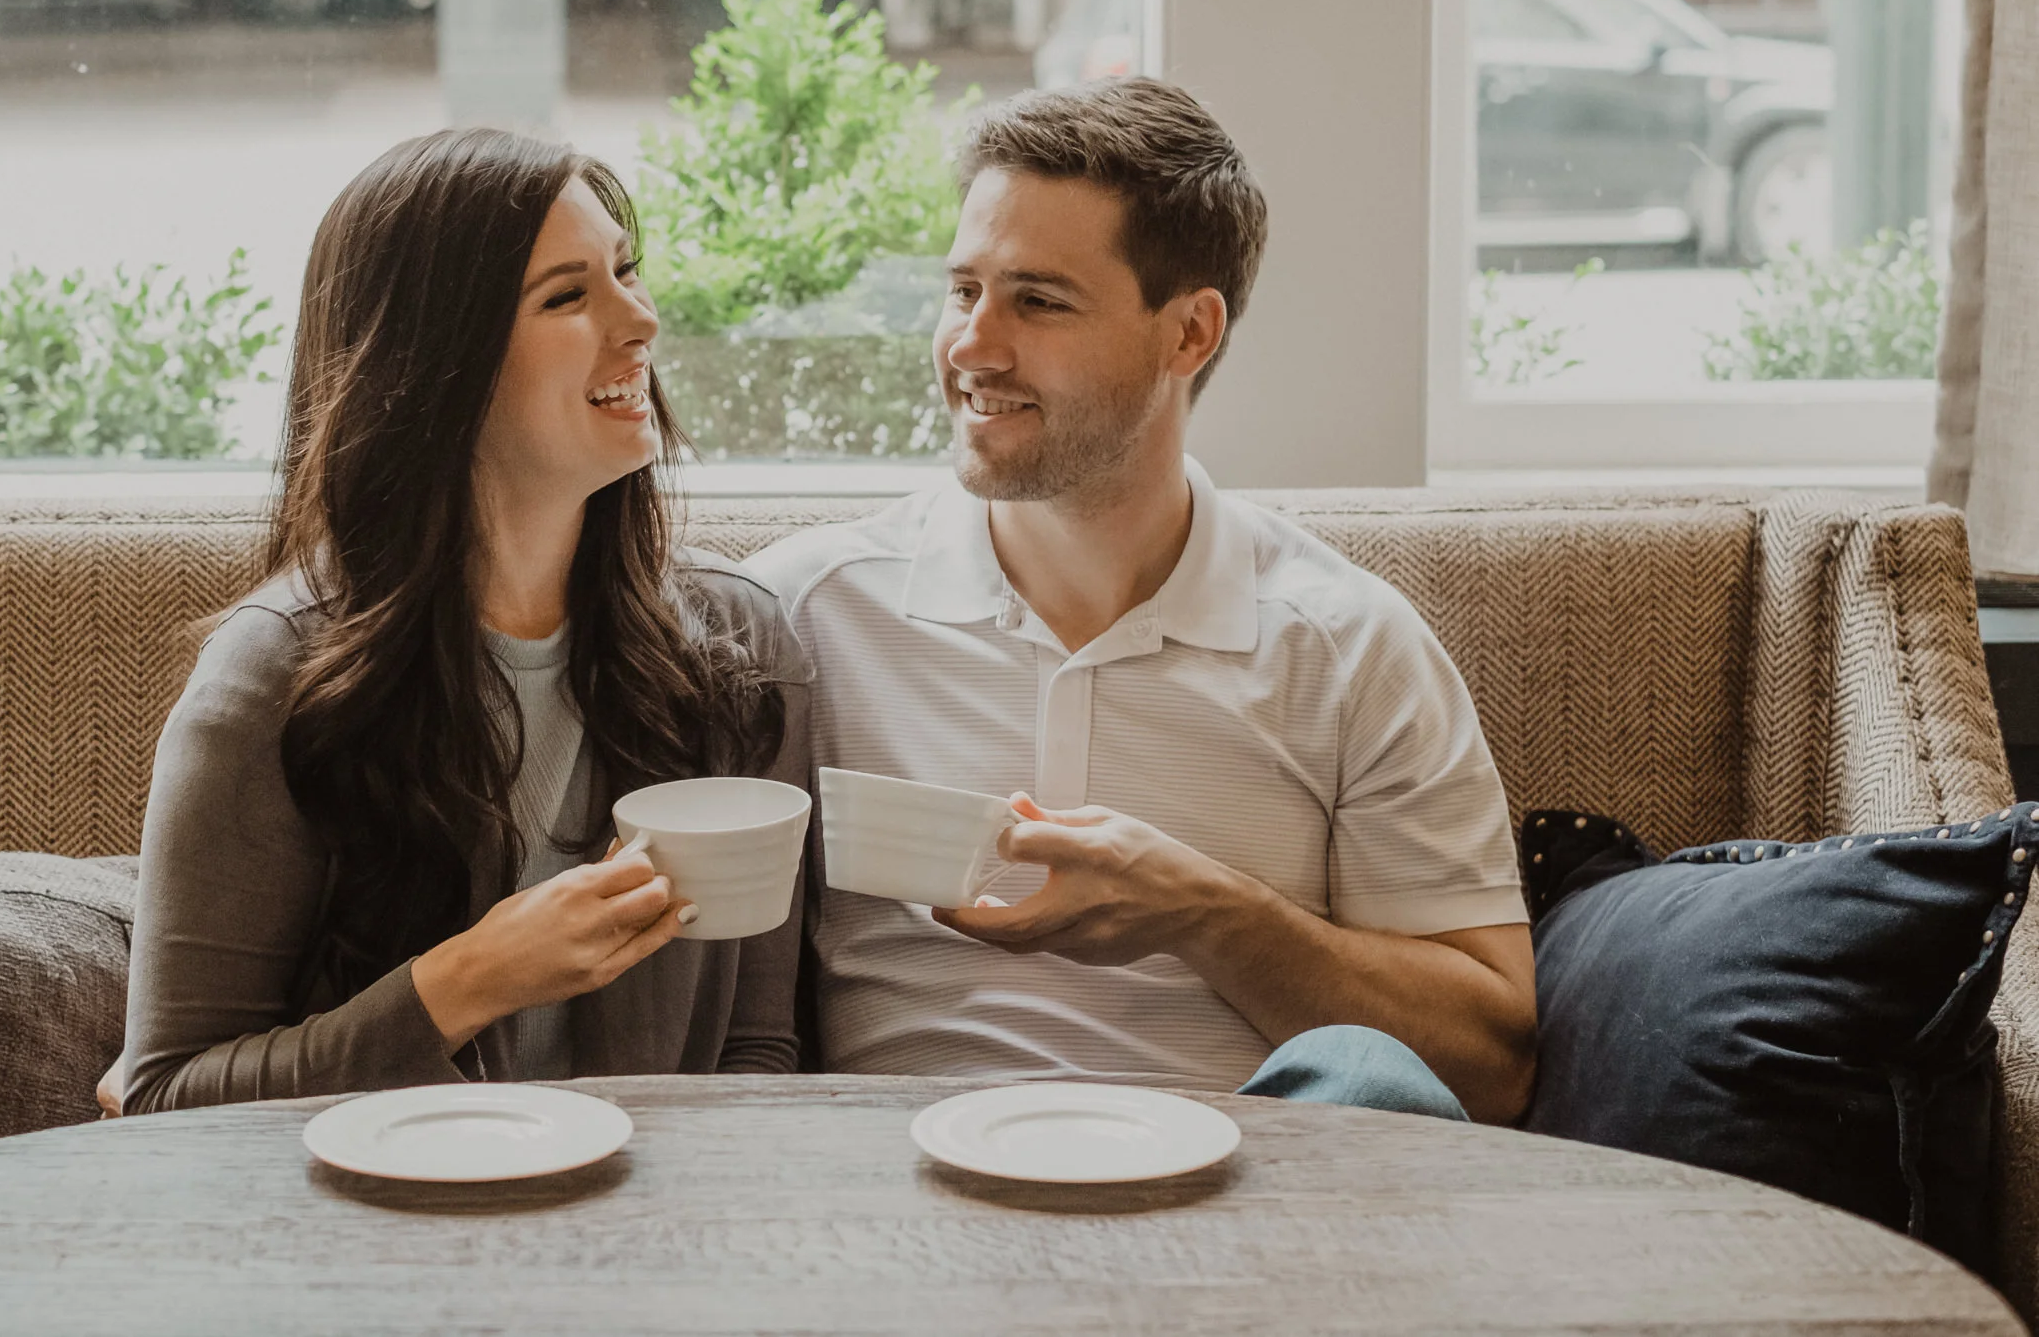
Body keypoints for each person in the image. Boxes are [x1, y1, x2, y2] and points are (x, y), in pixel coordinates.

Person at [746, 77, 1535, 1124]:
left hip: (1237, 1217)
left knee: (1367, 1078)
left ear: (1188, 334)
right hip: (904, 1206)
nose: (972, 347)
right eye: (961, 290)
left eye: (1038, 301)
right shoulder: (801, 614)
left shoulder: (1351, 647)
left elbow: (1490, 1066)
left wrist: (1202, 914)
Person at [117, 126, 810, 1113]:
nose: (639, 321)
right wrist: (471, 979)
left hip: (653, 1232)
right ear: (437, 365)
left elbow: (761, 1047)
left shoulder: (741, 651)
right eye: (568, 297)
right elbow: (163, 1096)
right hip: (378, 1239)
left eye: (626, 270)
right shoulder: (275, 678)